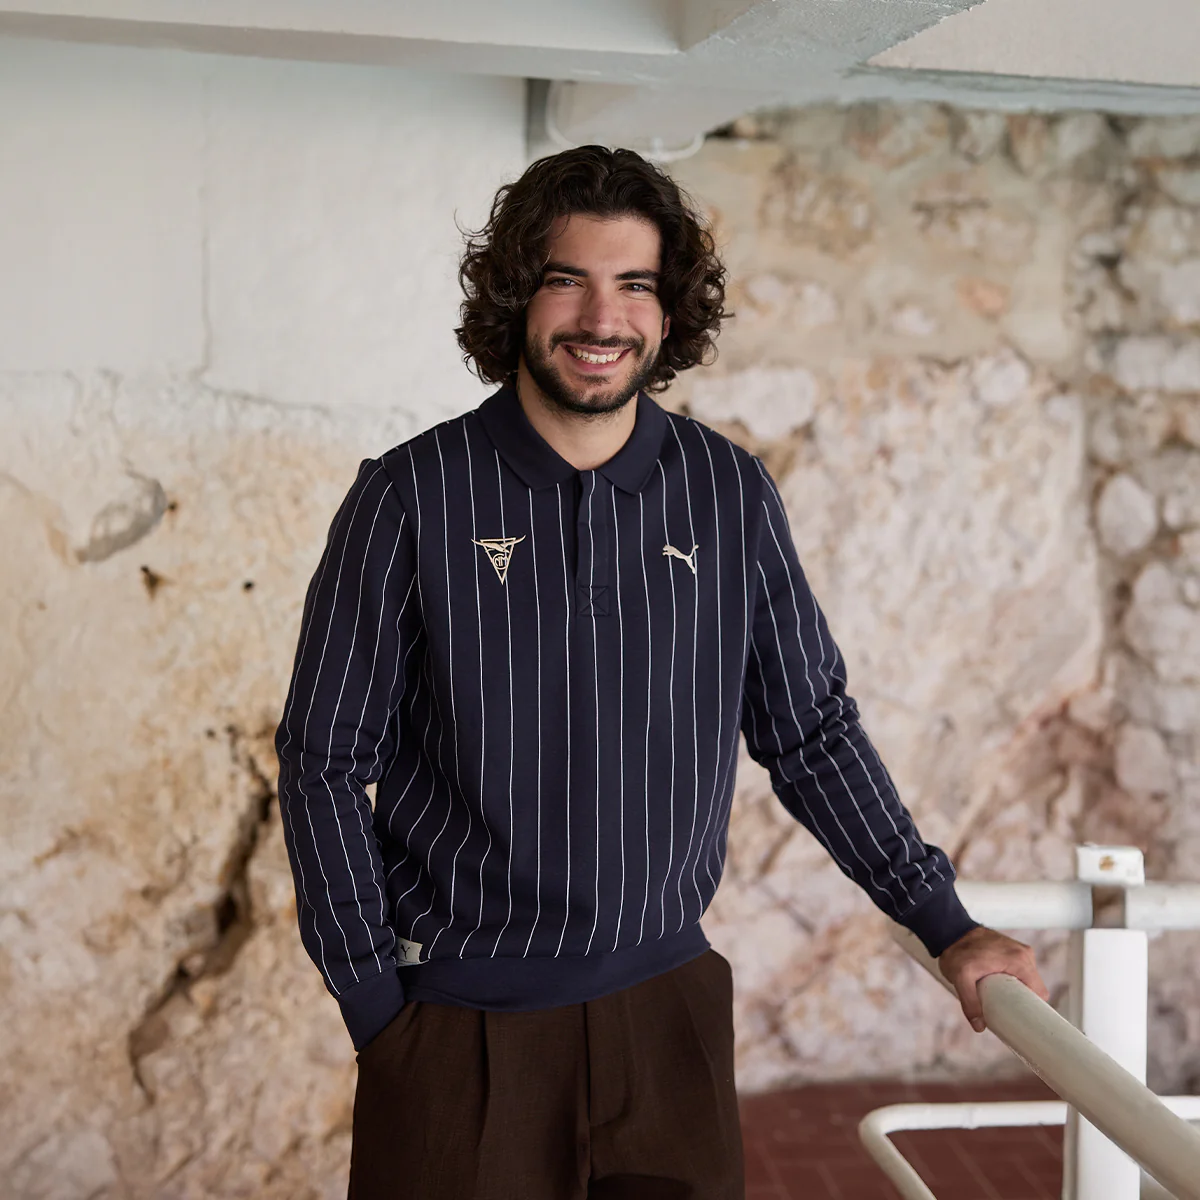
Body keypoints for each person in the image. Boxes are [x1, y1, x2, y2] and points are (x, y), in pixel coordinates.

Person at [275, 145, 1049, 1200]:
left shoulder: (729, 493)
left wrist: (944, 923)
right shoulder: (410, 496)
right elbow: (322, 760)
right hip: (458, 1031)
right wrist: (377, 1009)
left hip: (668, 1015)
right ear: (516, 295)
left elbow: (810, 730)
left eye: (634, 284)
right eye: (567, 279)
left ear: (670, 309)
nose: (603, 318)